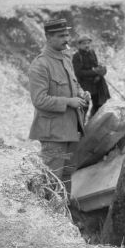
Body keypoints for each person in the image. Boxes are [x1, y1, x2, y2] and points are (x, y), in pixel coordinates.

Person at [28, 18, 90, 192]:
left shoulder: (65, 59)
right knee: (52, 179)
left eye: (67, 34)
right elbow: (39, 100)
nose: (67, 39)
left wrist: (81, 93)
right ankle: (50, 216)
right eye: (61, 35)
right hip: (53, 134)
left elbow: (74, 84)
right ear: (48, 37)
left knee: (67, 176)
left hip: (70, 129)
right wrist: (69, 102)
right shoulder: (40, 65)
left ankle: (63, 216)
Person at [72, 35, 111, 116]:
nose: (87, 45)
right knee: (84, 107)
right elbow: (78, 73)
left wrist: (99, 74)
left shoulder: (92, 52)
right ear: (79, 45)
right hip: (85, 86)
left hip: (95, 84)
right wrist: (94, 72)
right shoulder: (77, 56)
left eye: (88, 43)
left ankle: (94, 122)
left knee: (98, 104)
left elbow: (96, 65)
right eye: (84, 44)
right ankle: (82, 125)